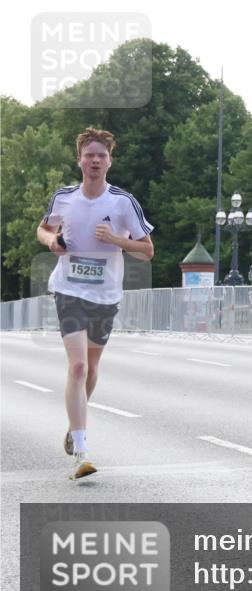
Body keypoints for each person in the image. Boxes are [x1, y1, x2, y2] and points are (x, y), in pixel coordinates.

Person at [36, 127, 154, 481]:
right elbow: (43, 229)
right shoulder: (64, 198)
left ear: (110, 161)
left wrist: (117, 239)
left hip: (105, 295)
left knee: (91, 369)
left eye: (102, 155)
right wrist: (52, 242)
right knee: (77, 367)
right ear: (79, 161)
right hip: (69, 289)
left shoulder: (122, 202)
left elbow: (147, 251)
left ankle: (74, 427)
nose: (95, 161)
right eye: (89, 155)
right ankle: (81, 450)